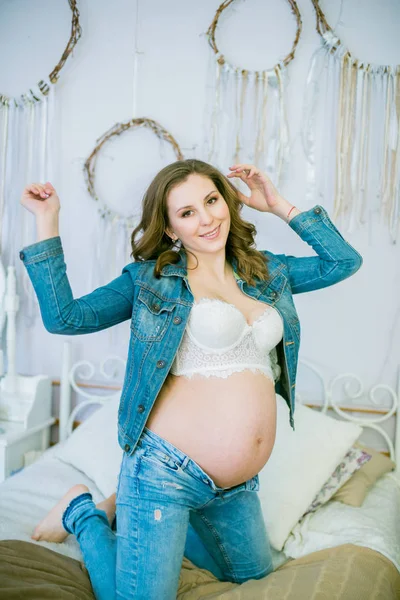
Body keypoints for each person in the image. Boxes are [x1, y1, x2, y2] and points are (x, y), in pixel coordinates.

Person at [19, 159, 363, 599]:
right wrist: (47, 220)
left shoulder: (266, 273)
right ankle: (84, 513)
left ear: (227, 201)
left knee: (256, 580)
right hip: (163, 473)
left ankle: (125, 513)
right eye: (187, 213)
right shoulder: (151, 281)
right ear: (169, 229)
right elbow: (66, 318)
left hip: (233, 488)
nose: (206, 219)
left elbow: (344, 262)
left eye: (212, 200)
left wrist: (277, 204)